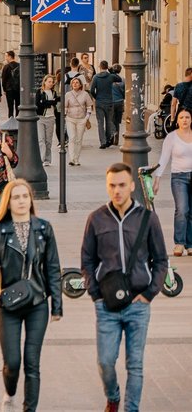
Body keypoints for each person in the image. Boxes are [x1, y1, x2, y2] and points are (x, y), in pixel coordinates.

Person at [81, 162, 168, 412]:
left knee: (135, 365)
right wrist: (95, 294)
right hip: (106, 304)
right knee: (105, 362)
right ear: (107, 187)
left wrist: (150, 293)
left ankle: (131, 409)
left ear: (131, 186)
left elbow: (161, 260)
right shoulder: (96, 219)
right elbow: (87, 260)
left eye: (121, 185)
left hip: (138, 303)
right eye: (112, 185)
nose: (117, 190)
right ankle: (113, 395)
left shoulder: (147, 219)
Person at [0, 179, 62, 412]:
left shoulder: (44, 229)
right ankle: (10, 393)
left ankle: (29, 408)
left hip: (37, 302)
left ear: (31, 200)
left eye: (25, 196)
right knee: (12, 363)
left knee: (32, 363)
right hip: (8, 304)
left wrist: (57, 305)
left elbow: (53, 267)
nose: (22, 201)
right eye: (16, 197)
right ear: (8, 202)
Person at [153, 108, 192, 257]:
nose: (184, 120)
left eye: (187, 117)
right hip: (179, 177)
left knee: (191, 212)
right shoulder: (171, 137)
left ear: (191, 120)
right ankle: (179, 243)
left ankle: (190, 244)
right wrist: (157, 179)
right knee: (182, 209)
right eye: (181, 117)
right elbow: (163, 159)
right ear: (177, 120)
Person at [90, 61, 123, 149]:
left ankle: (103, 142)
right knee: (109, 121)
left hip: (99, 102)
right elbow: (119, 79)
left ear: (99, 67)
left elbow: (92, 90)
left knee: (100, 123)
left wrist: (97, 97)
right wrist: (111, 71)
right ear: (107, 67)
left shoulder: (96, 77)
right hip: (109, 102)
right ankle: (108, 139)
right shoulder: (111, 76)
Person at [64, 77, 93, 166]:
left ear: (80, 85)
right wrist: (65, 116)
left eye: (77, 82)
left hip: (81, 119)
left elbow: (89, 106)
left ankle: (77, 158)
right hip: (70, 118)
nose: (75, 84)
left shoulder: (85, 94)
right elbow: (64, 107)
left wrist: (86, 117)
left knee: (79, 139)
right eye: (73, 83)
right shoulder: (68, 94)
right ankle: (72, 158)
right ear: (71, 85)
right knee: (72, 138)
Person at [35, 75, 59, 167]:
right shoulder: (39, 92)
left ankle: (47, 159)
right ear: (44, 82)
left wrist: (47, 102)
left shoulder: (54, 92)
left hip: (51, 118)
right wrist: (50, 102)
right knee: (41, 139)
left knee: (48, 140)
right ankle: (41, 158)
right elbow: (38, 104)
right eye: (49, 81)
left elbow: (55, 102)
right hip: (41, 117)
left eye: (52, 82)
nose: (51, 84)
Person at [1, 51, 21, 118]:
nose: (5, 58)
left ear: (10, 56)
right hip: (18, 89)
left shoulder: (6, 67)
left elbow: (4, 79)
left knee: (10, 107)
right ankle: (18, 120)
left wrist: (4, 89)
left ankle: (10, 120)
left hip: (9, 89)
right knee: (18, 106)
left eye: (6, 56)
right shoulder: (19, 65)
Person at [110, 64, 125, 146]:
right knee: (117, 122)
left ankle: (112, 136)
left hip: (111, 102)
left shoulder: (109, 79)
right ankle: (116, 140)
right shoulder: (123, 79)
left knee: (111, 120)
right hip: (120, 102)